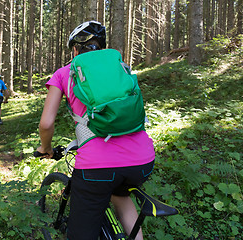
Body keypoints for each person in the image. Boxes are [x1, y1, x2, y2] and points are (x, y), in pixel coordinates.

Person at [37, 21, 155, 240]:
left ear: (74, 49)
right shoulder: (121, 69)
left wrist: (45, 147)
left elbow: (46, 123)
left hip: (97, 165)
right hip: (143, 159)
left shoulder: (64, 73)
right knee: (120, 196)